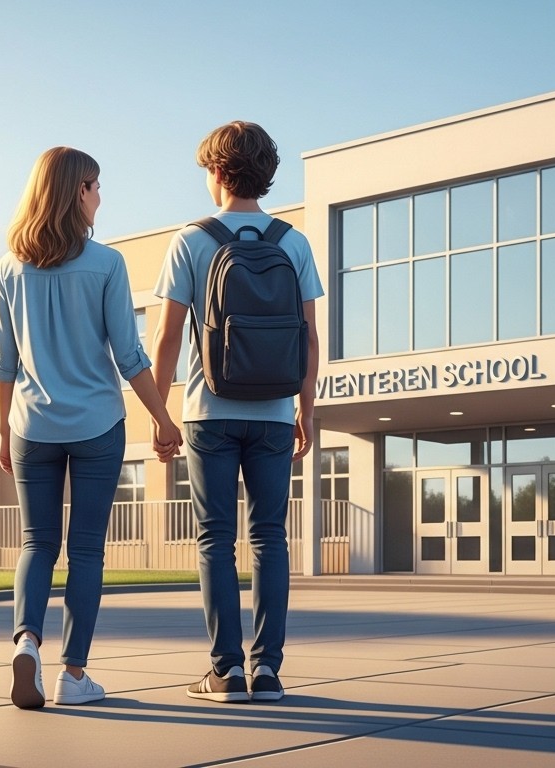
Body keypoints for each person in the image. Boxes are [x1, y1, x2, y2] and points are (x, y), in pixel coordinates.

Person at [0, 146, 181, 710]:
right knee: (87, 550)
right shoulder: (107, 264)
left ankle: (27, 643)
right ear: (78, 192)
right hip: (98, 425)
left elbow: (2, 363)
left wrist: (2, 431)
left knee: (37, 542)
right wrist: (162, 418)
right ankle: (74, 675)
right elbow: (129, 355)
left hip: (31, 425)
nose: (101, 196)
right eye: (96, 186)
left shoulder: (9, 268)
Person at [152, 121, 322, 703]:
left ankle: (225, 671)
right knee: (270, 537)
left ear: (219, 172)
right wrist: (306, 410)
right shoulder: (293, 242)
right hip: (274, 412)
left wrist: (160, 412)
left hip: (209, 411)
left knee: (215, 539)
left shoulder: (191, 240)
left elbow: (167, 338)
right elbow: (309, 338)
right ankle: (268, 670)